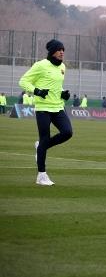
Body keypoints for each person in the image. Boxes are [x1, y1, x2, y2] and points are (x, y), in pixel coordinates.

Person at [19, 39, 73, 186]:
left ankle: (41, 147)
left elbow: (56, 86)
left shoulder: (62, 67)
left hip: (58, 107)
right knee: (44, 137)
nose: (62, 52)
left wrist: (63, 93)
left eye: (63, 49)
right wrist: (36, 91)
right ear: (52, 52)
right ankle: (41, 176)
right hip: (43, 108)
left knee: (67, 132)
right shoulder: (40, 65)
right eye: (59, 49)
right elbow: (23, 81)